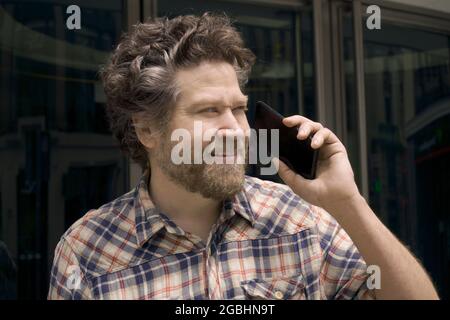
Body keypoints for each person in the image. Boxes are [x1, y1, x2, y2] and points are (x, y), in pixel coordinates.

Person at [48, 12, 438, 300]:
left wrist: (347, 203)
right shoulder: (88, 252)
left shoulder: (301, 222)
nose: (237, 130)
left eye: (238, 109)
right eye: (208, 111)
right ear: (147, 130)